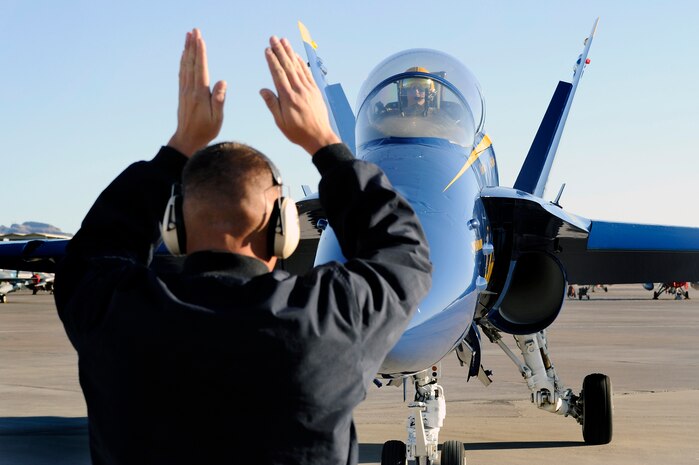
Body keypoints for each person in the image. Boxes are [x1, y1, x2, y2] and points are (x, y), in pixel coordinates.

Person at [53, 28, 432, 465]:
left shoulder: (113, 314)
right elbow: (405, 253)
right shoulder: (331, 320)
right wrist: (324, 144)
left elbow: (98, 244)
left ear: (172, 227)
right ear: (283, 226)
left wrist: (178, 148)